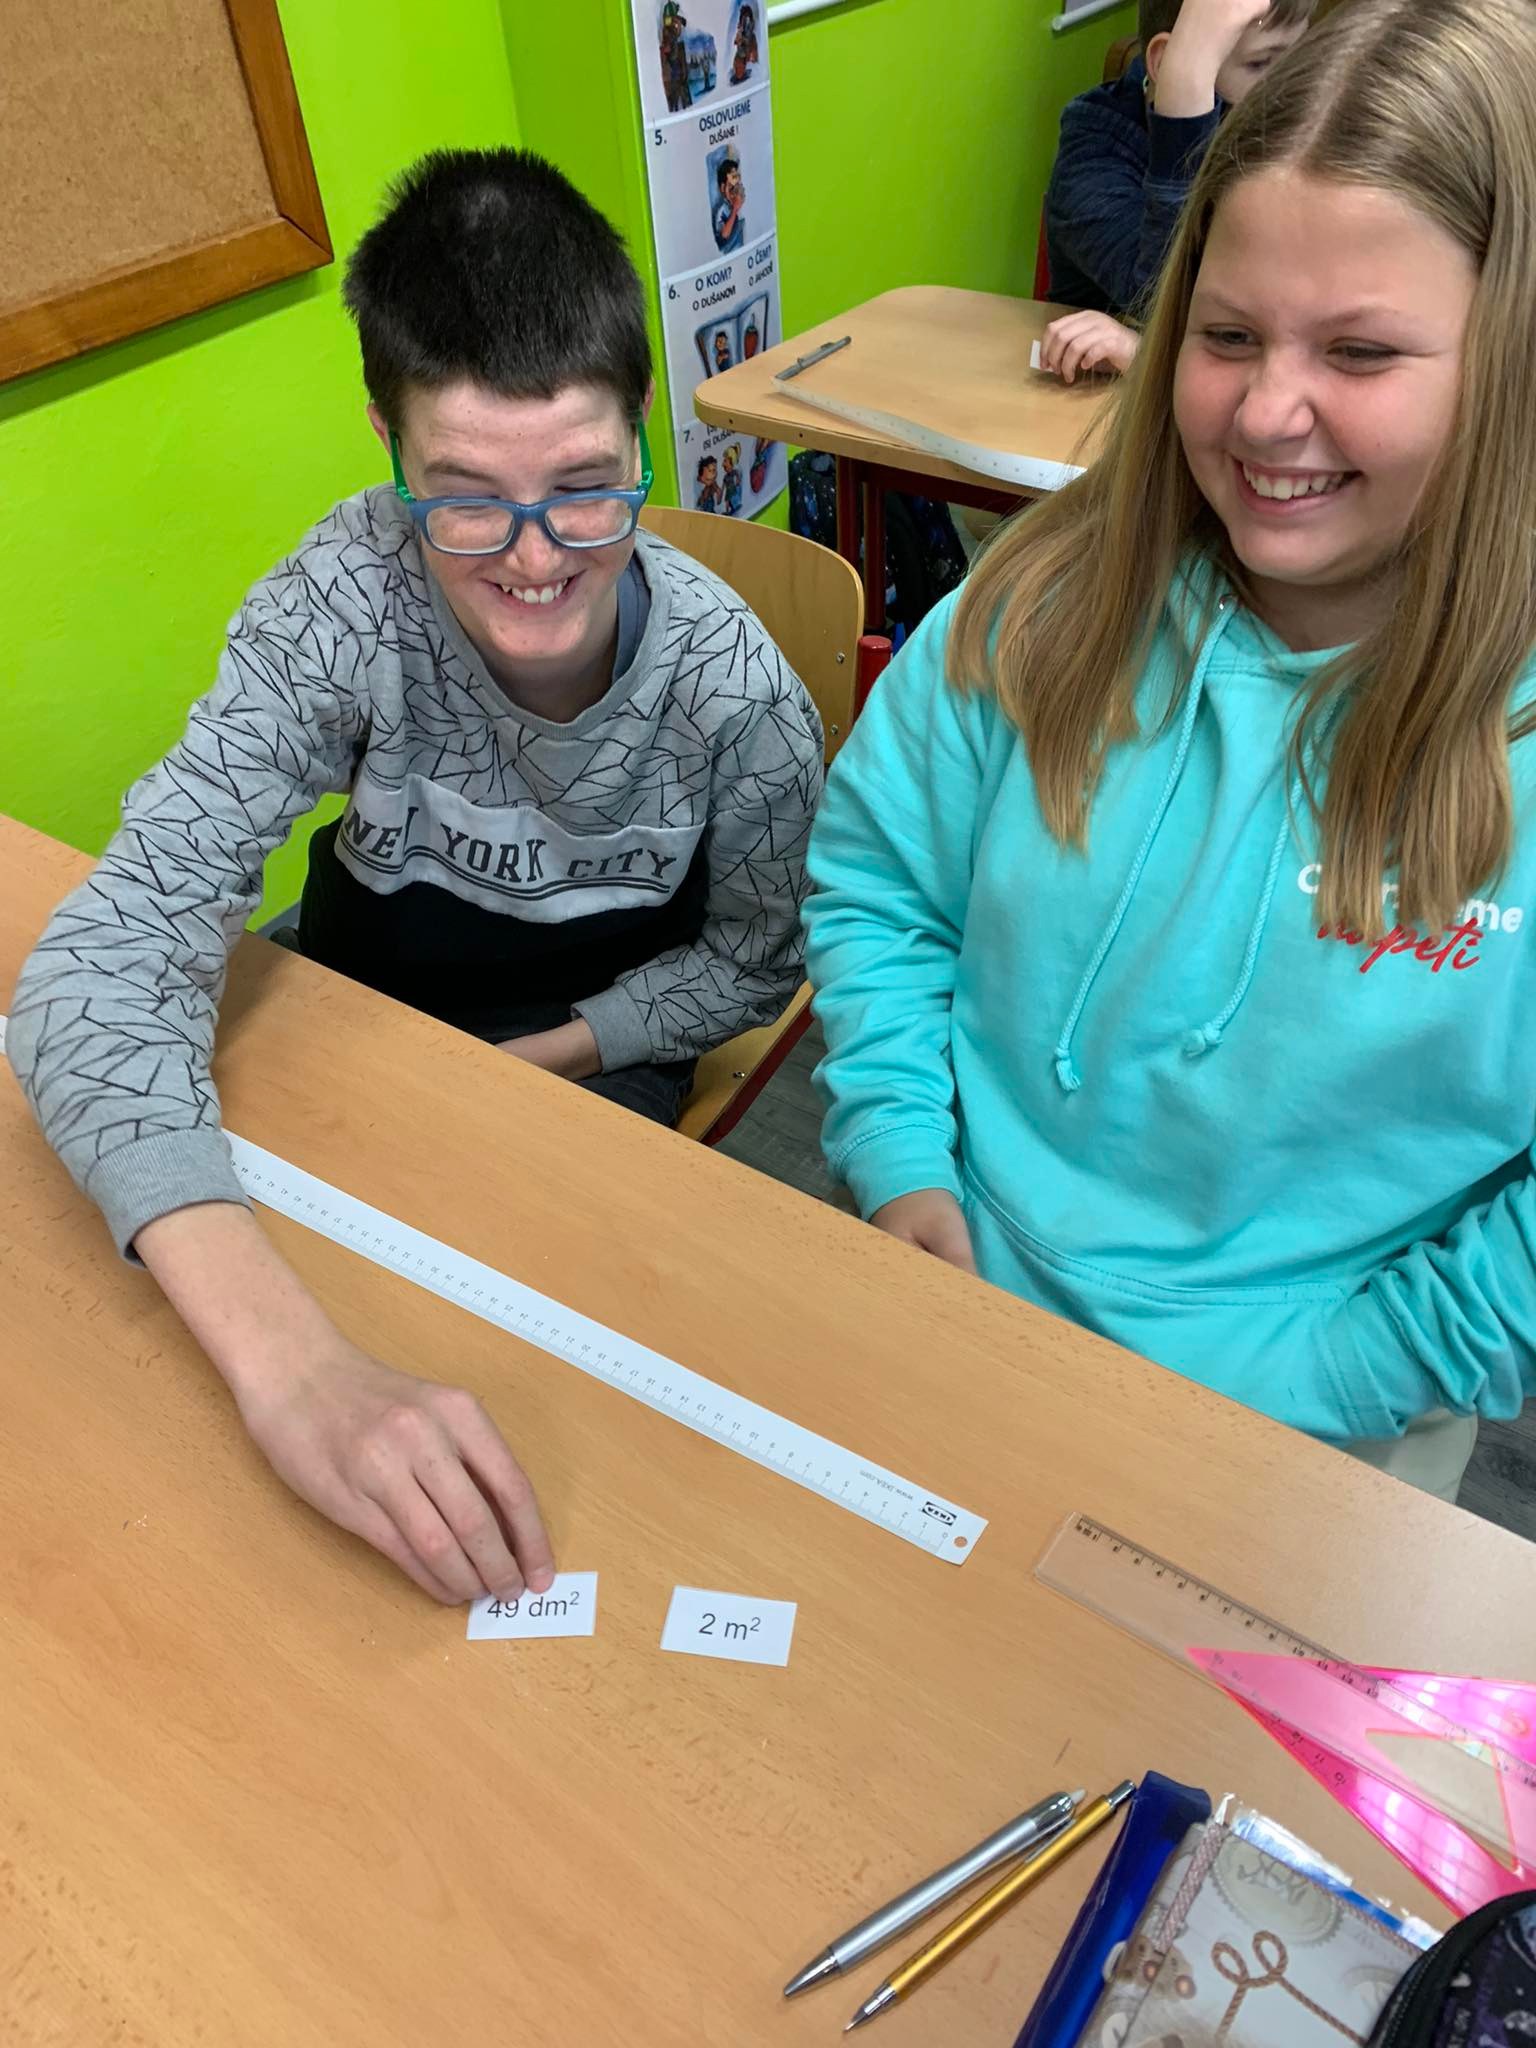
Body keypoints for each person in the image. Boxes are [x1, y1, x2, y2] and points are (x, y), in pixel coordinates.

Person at [7, 149, 822, 1603]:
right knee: (173, 1448)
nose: (534, 561)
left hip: (585, 1069)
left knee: (543, 1450)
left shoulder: (735, 694)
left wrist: (552, 1053)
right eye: (465, 499)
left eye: (587, 488)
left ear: (643, 427)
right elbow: (99, 966)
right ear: (388, 444)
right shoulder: (343, 599)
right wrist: (292, 1369)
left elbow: (755, 963)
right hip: (347, 1015)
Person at [804, 0, 1536, 1504]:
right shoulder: (1040, 599)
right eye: (1226, 334)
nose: (1268, 411)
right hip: (947, 1300)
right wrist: (900, 1158)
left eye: (1361, 350)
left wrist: (1344, 1373)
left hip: (1315, 1428)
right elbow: (882, 882)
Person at [1038, 0, 1312, 386]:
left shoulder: (1272, 131)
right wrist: (1183, 98)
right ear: (1169, 64)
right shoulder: (1094, 153)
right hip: (1097, 404)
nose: (1289, 90)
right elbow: (1159, 301)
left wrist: (1144, 355)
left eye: (1297, 58)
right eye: (1260, 64)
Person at [712, 155, 746, 253]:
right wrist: (735, 209)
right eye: (731, 188)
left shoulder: (738, 205)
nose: (734, 193)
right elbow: (723, 236)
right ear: (723, 188)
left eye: (737, 187)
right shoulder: (722, 210)